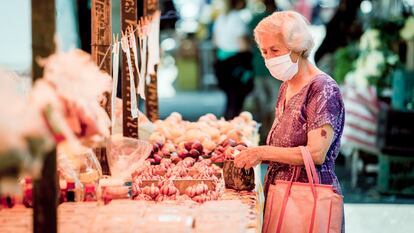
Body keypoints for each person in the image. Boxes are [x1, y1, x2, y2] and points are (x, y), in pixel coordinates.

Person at [234, 11, 345, 232]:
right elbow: (284, 145)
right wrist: (252, 153)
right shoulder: (287, 85)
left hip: (307, 198)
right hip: (282, 193)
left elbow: (316, 154)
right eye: (264, 52)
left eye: (275, 50)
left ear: (298, 47)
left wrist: (262, 152)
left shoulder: (322, 88)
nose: (269, 58)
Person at [213, 0, 254, 120]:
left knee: (230, 98)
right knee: (237, 99)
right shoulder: (238, 19)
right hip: (237, 63)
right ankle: (232, 127)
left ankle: (227, 124)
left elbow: (215, 41)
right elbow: (242, 44)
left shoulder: (220, 18)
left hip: (221, 62)